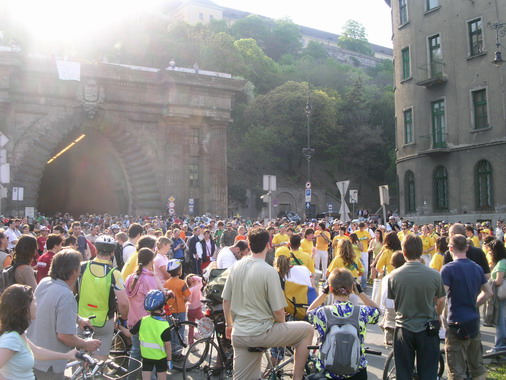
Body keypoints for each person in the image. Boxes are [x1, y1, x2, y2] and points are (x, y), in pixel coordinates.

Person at [222, 227, 314, 380]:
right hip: (261, 333)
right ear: (268, 245)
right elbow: (278, 312)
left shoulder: (235, 267)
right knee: (307, 330)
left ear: (249, 246)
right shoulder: (269, 271)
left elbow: (226, 300)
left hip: (239, 333)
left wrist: (229, 325)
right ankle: (297, 377)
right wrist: (282, 324)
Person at [27, 249, 101, 380]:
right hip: (50, 365)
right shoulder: (66, 295)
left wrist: (79, 320)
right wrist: (86, 344)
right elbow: (64, 336)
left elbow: (53, 309)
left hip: (33, 355)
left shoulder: (45, 282)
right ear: (73, 271)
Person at [387, 234, 446, 380]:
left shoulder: (393, 275)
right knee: (428, 371)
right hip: (427, 327)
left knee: (403, 372)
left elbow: (393, 301)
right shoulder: (434, 275)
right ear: (421, 251)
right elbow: (441, 300)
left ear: (403, 252)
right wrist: (438, 315)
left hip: (403, 326)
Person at [307, 268, 380, 379]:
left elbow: (309, 312)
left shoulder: (323, 313)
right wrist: (360, 293)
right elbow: (377, 311)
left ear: (331, 289)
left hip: (327, 372)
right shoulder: (362, 312)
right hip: (356, 371)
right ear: (351, 289)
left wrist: (323, 294)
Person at [441, 234, 492, 380]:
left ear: (450, 248)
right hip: (473, 322)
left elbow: (441, 297)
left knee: (456, 370)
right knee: (477, 367)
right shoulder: (476, 268)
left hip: (456, 323)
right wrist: (474, 303)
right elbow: (488, 292)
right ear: (467, 247)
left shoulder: (447, 269)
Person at [0, 284, 78, 380]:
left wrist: (67, 355)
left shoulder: (18, 334)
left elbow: (37, 351)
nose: (37, 305)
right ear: (24, 307)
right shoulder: (11, 339)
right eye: (34, 301)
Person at [77, 235, 129, 360]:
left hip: (82, 319)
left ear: (95, 250)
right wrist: (123, 317)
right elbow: (123, 303)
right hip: (105, 320)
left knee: (80, 358)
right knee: (99, 361)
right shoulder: (115, 273)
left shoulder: (82, 267)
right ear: (112, 253)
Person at [125, 248, 168, 380]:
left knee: (136, 352)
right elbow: (155, 301)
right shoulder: (149, 279)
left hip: (133, 319)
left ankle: (130, 377)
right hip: (148, 322)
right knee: (153, 353)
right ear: (151, 261)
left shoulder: (131, 278)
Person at [129, 290, 173, 380]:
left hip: (146, 357)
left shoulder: (143, 320)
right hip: (161, 358)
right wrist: (169, 360)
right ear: (162, 307)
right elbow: (167, 345)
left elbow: (129, 333)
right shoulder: (164, 325)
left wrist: (118, 326)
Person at [163, 259, 191, 357]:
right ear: (179, 271)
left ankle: (171, 352)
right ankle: (178, 353)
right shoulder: (182, 282)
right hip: (180, 310)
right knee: (180, 330)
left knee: (171, 331)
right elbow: (188, 297)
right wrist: (182, 301)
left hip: (169, 311)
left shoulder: (166, 283)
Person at [378, 251, 406, 347]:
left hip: (388, 304)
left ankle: (388, 339)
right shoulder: (403, 277)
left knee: (389, 321)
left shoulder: (387, 277)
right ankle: (392, 339)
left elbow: (383, 293)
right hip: (400, 304)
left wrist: (382, 304)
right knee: (394, 323)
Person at [487, 238, 506, 352]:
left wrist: (490, 282)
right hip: (502, 294)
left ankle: (499, 345)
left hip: (500, 294)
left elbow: (498, 281)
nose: (489, 252)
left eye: (490, 250)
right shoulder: (502, 261)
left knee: (499, 321)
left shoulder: (501, 263)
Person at [185, 273, 203, 345]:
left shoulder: (189, 289)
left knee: (191, 327)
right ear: (193, 281)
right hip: (196, 309)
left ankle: (191, 343)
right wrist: (195, 278)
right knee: (206, 322)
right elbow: (201, 279)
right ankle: (198, 334)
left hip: (190, 309)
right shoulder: (196, 288)